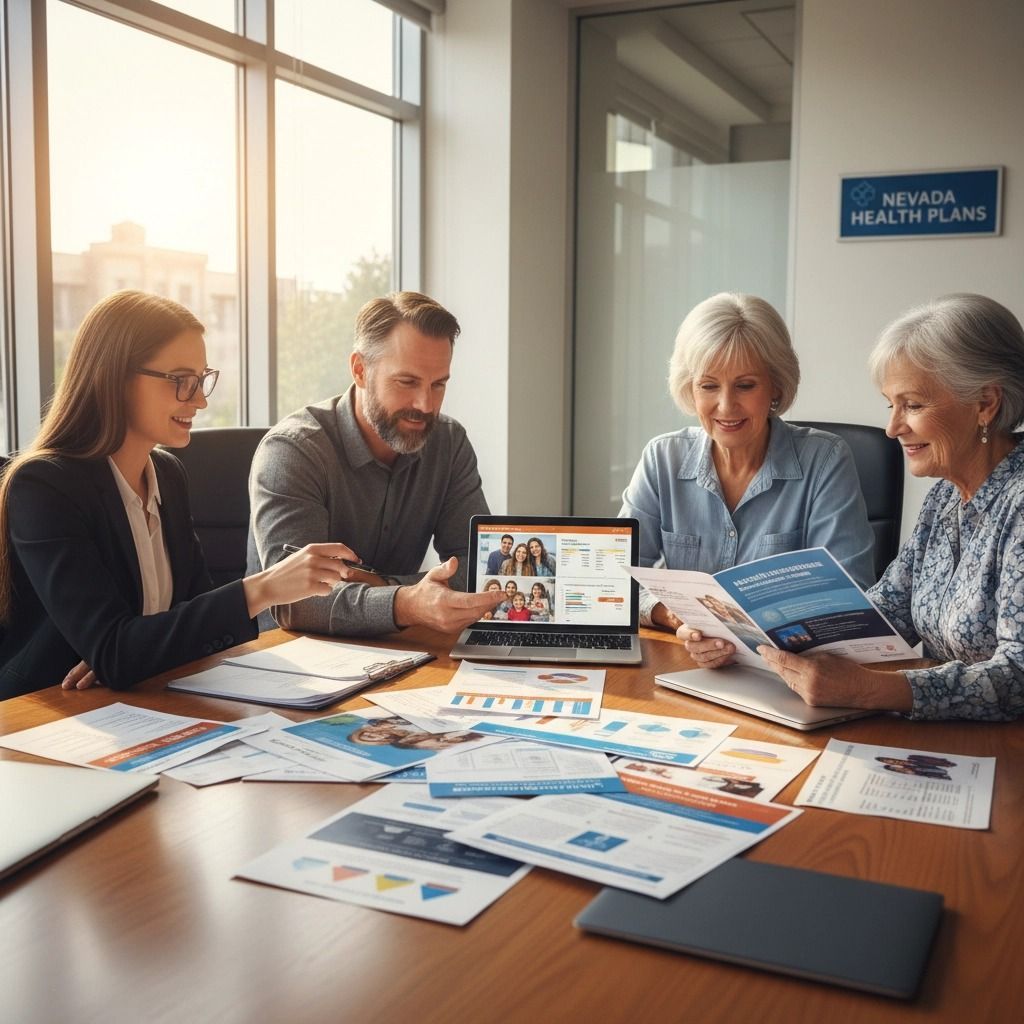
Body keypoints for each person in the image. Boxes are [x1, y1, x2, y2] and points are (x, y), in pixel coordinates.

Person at [0, 291, 354, 700]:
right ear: (115, 377)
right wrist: (263, 587)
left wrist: (135, 651)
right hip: (45, 717)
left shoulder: (166, 474)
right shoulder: (45, 487)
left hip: (139, 699)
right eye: (182, 382)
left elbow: (185, 626)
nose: (200, 400)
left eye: (202, 380)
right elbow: (117, 650)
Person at [759, 294, 1024, 721]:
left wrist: (872, 690)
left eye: (913, 405)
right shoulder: (945, 495)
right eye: (891, 404)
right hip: (941, 737)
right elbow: (884, 613)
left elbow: (1018, 677)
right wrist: (762, 632)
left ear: (985, 403)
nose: (892, 427)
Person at [619, 292, 875, 667]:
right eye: (709, 386)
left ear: (775, 386)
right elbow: (618, 578)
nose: (725, 406)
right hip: (687, 667)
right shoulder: (663, 458)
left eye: (745, 385)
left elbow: (851, 594)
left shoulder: (825, 459)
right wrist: (674, 616)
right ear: (690, 388)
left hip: (787, 673)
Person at [248, 291, 502, 637]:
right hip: (291, 661)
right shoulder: (293, 451)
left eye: (438, 385)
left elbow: (479, 570)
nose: (425, 405)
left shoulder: (449, 443)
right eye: (407, 382)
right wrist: (407, 601)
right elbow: (295, 601)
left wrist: (385, 586)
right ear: (360, 370)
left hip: (399, 649)